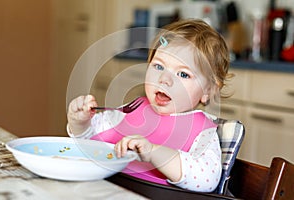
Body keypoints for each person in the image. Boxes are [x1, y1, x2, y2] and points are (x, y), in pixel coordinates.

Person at [67, 19, 231, 192]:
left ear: (209, 91)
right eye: (159, 66)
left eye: (183, 74)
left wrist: (154, 152)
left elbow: (206, 180)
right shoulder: (132, 109)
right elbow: (88, 141)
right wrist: (80, 122)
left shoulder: (203, 130)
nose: (165, 79)